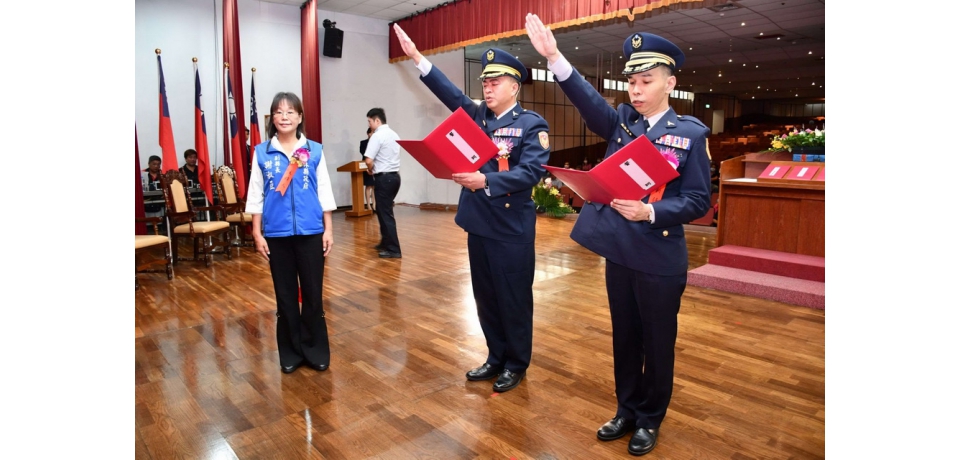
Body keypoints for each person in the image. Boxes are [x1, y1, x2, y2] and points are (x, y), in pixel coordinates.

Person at [526, 14, 711, 456]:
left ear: (670, 83)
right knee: (625, 336)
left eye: (646, 81)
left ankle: (650, 417)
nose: (636, 89)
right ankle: (626, 409)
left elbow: (699, 201)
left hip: (661, 258)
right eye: (631, 81)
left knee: (657, 340)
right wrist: (554, 57)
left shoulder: (690, 134)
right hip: (619, 254)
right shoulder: (622, 124)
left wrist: (652, 210)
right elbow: (589, 102)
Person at [393, 24, 551, 393]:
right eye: (486, 81)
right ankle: (495, 356)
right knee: (485, 297)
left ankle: (516, 363)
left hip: (511, 228)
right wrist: (417, 57)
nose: (488, 87)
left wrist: (487, 181)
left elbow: (531, 172)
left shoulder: (531, 124)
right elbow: (449, 93)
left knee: (513, 298)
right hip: (479, 223)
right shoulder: (477, 116)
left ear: (514, 86)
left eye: (496, 81)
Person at [245, 91, 337, 375]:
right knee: (285, 297)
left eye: (290, 112)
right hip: (277, 236)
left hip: (311, 232)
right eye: (278, 112)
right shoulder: (262, 152)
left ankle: (315, 350)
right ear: (272, 118)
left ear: (300, 117)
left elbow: (324, 191)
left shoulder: (314, 150)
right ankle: (291, 353)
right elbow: (255, 195)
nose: (284, 117)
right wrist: (258, 233)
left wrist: (328, 229)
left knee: (312, 295)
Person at [362, 108, 402, 258]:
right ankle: (385, 242)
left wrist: (370, 169)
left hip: (383, 178)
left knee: (385, 213)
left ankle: (393, 249)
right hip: (395, 177)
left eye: (370, 121)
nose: (369, 124)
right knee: (383, 211)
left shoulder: (377, 136)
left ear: (377, 120)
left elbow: (368, 159)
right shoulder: (394, 134)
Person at [359, 127, 376, 212]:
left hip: (375, 165)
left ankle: (374, 205)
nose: (372, 134)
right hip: (366, 165)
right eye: (371, 133)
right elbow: (364, 153)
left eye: (373, 133)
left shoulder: (377, 142)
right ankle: (368, 205)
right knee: (368, 185)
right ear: (368, 133)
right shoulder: (363, 142)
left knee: (374, 186)